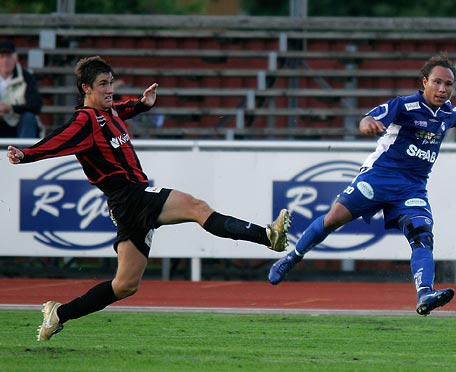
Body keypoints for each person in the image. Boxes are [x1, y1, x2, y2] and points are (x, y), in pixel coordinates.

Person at [6, 56, 291, 341]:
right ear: (86, 89)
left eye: (111, 83)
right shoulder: (85, 120)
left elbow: (121, 108)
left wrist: (143, 104)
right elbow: (58, 139)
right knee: (197, 208)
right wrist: (26, 154)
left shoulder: (109, 112)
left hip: (127, 205)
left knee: (125, 285)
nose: (109, 90)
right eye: (103, 84)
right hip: (130, 197)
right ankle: (268, 237)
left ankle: (59, 314)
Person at [268, 53, 456, 316]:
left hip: (411, 189)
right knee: (333, 219)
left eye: (448, 85)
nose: (442, 89)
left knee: (422, 236)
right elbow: (368, 118)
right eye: (437, 82)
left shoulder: (447, 112)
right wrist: (368, 123)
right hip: (378, 178)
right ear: (425, 82)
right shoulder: (404, 106)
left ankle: (425, 294)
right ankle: (292, 258)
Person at [0, 39, 42, 138]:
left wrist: (10, 108)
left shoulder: (27, 77)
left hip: (18, 125)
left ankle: (22, 153)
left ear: (15, 58)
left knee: (29, 118)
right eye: (2, 57)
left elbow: (35, 105)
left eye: (9, 56)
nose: (5, 60)